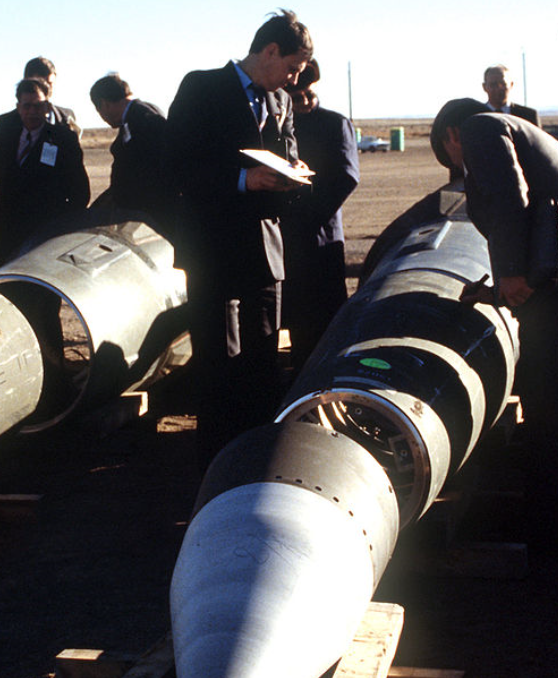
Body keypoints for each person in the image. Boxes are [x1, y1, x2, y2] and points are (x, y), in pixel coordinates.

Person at [433, 99, 558, 540]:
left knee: (546, 392)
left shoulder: (479, 128)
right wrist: (495, 288)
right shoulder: (516, 128)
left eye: (454, 163)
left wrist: (513, 274)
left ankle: (550, 521)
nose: (462, 172)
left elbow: (508, 198)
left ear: (451, 136)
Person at [163, 10, 312, 469]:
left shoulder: (282, 101)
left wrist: (294, 175)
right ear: (269, 52)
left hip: (265, 249)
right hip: (213, 248)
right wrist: (244, 180)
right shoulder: (201, 88)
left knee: (263, 355)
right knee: (218, 356)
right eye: (291, 67)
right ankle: (216, 460)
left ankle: (259, 455)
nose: (293, 78)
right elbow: (177, 163)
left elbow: (287, 153)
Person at [280, 58, 359, 372]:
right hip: (281, 238)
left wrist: (305, 214)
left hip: (318, 241)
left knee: (320, 326)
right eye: (294, 96)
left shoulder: (334, 123)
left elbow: (346, 177)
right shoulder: (277, 125)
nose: (302, 101)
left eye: (306, 95)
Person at [0, 78, 89, 265]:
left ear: (48, 106)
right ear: (18, 107)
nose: (33, 112)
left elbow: (79, 191)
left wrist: (60, 228)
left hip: (45, 238)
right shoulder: (6, 134)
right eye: (27, 106)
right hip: (9, 236)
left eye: (39, 106)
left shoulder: (63, 139)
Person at [88, 72, 168, 220]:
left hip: (150, 213)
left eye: (99, 111)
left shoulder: (142, 120)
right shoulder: (142, 113)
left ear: (104, 104)